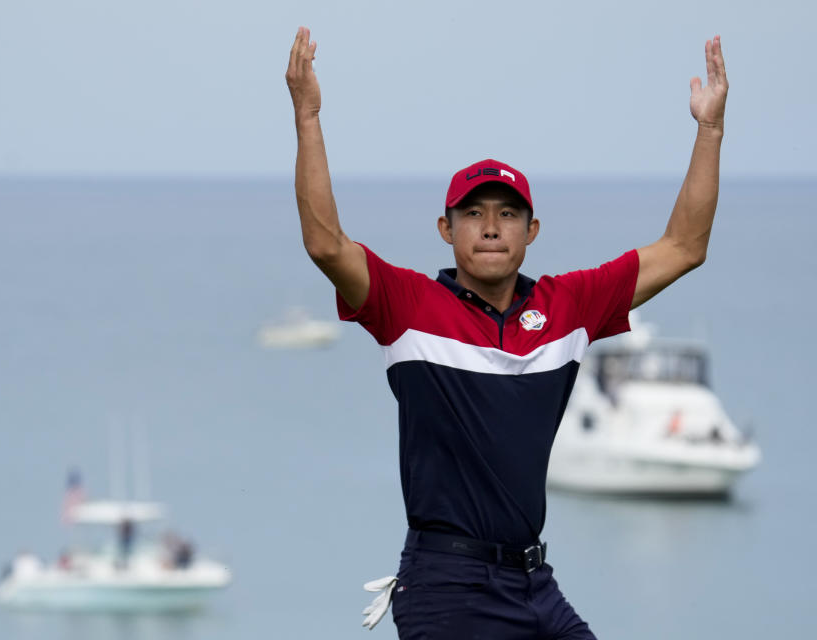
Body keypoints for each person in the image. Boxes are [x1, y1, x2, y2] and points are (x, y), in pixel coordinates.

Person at [286, 26, 728, 639]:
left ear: (532, 230)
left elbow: (684, 246)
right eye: (474, 213)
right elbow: (324, 243)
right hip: (447, 587)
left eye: (507, 213)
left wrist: (709, 131)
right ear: (446, 228)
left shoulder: (569, 304)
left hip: (534, 584)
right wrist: (308, 115)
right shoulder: (407, 303)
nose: (491, 227)